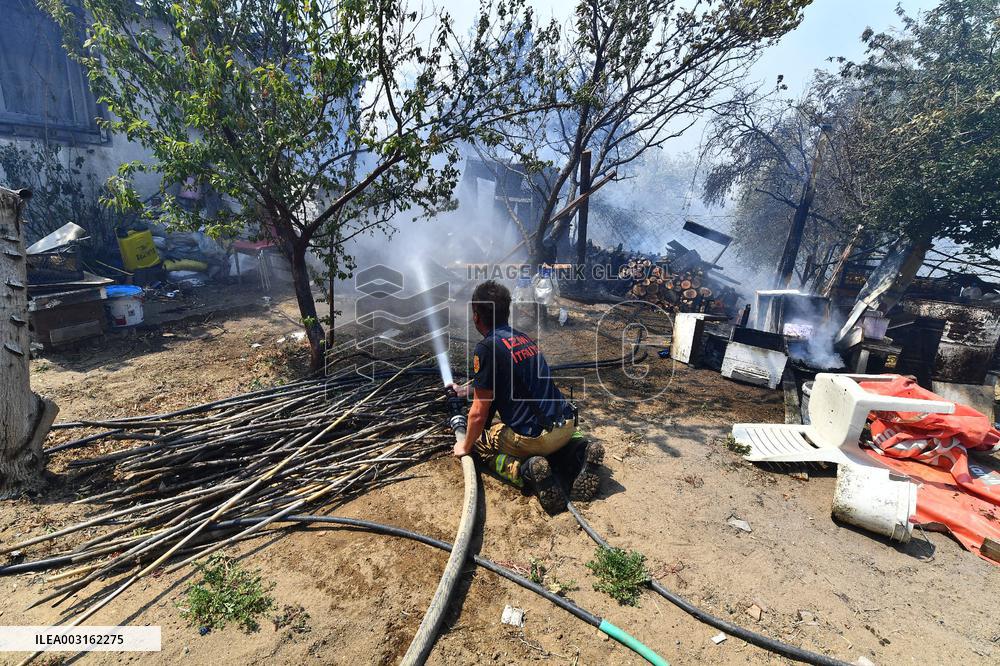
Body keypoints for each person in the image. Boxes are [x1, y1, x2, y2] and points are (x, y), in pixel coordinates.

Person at [449, 280, 603, 514]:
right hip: (567, 425)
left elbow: (479, 412)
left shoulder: (487, 348)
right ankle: (579, 452)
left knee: (481, 443)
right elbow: (508, 379)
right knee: (552, 440)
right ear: (506, 311)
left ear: (476, 316)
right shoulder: (523, 338)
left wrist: (464, 445)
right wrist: (465, 390)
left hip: (535, 439)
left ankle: (527, 471)